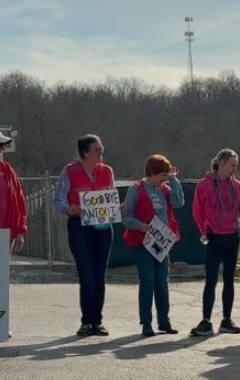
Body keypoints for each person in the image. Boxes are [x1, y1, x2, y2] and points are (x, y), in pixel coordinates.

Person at [53, 134, 115, 337]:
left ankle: (97, 321)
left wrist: (116, 207)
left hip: (103, 229)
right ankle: (86, 321)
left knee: (99, 277)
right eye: (96, 149)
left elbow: (110, 196)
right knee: (86, 276)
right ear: (84, 152)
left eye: (101, 148)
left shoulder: (107, 171)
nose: (100, 152)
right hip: (80, 228)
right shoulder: (69, 171)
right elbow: (58, 201)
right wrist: (70, 209)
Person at [122, 154, 184, 337]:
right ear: (152, 173)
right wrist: (141, 226)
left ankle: (164, 321)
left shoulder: (164, 190)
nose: (164, 179)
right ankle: (146, 322)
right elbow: (126, 217)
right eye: (162, 175)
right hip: (143, 242)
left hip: (162, 242)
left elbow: (179, 202)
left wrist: (174, 181)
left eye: (167, 175)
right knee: (147, 281)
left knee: (162, 282)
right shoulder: (136, 189)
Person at [190, 148, 240, 337]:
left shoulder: (237, 186)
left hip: (232, 236)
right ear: (221, 164)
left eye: (235, 166)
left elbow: (239, 209)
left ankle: (226, 320)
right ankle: (206, 320)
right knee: (211, 279)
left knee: (229, 279)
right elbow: (198, 210)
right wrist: (205, 230)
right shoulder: (204, 185)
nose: (233, 169)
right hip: (214, 236)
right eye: (231, 165)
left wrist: (235, 227)